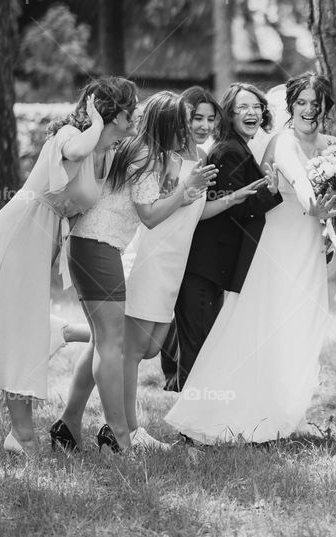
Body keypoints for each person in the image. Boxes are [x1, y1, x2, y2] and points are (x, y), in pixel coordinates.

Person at [0, 77, 137, 454]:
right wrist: (92, 122)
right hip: (20, 231)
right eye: (132, 110)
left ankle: (22, 433)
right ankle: (22, 437)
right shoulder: (73, 135)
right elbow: (74, 153)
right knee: (17, 334)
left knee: (21, 328)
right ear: (116, 114)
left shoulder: (104, 152)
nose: (136, 115)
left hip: (41, 238)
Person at [165, 73, 336, 444]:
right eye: (302, 102)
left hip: (304, 244)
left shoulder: (328, 146)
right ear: (290, 107)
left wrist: (329, 222)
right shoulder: (269, 145)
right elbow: (287, 192)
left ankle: (276, 407)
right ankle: (205, 416)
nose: (309, 109)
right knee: (247, 328)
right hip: (267, 247)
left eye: (316, 102)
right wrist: (315, 207)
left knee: (290, 325)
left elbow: (255, 200)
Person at [51, 91, 218, 453]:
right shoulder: (144, 156)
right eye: (181, 126)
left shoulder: (150, 153)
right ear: (167, 126)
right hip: (96, 246)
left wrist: (186, 190)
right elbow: (151, 217)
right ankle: (118, 435)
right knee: (113, 345)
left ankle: (69, 423)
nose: (188, 132)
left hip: (101, 247)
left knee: (104, 342)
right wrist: (186, 190)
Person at [165, 82, 281, 392]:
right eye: (243, 107)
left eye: (256, 107)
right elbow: (237, 208)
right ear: (228, 114)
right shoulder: (230, 151)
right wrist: (273, 192)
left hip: (212, 265)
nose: (251, 112)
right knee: (199, 346)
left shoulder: (238, 147)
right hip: (205, 264)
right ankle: (191, 425)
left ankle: (198, 420)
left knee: (203, 343)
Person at [158, 86, 222, 386]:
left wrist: (232, 200)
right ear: (183, 117)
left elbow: (198, 211)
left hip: (188, 248)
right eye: (197, 118)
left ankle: (183, 383)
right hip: (160, 246)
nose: (204, 126)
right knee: (146, 334)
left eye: (210, 119)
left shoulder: (204, 155)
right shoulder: (166, 156)